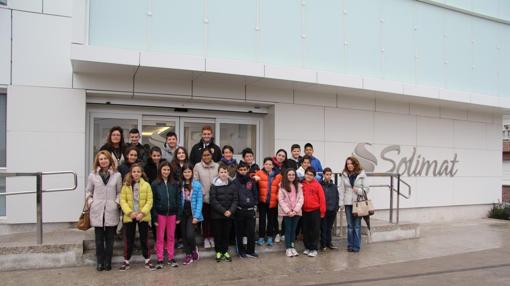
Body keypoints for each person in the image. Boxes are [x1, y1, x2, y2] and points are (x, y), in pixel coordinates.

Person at [86, 150, 122, 271]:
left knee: (110, 239)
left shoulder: (117, 175)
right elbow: (88, 192)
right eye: (101, 159)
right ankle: (100, 262)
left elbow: (120, 192)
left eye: (105, 158)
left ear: (109, 160)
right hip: (97, 209)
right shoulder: (92, 175)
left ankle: (108, 261)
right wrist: (91, 202)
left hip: (111, 210)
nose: (103, 161)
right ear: (98, 161)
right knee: (99, 239)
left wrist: (116, 203)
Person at [119, 163, 155, 271]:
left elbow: (150, 200)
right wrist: (129, 212)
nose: (136, 173)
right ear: (131, 173)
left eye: (138, 172)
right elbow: (122, 200)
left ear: (141, 173)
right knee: (128, 239)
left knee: (145, 239)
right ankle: (126, 261)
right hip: (130, 216)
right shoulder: (126, 185)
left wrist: (142, 213)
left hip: (142, 216)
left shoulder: (146, 185)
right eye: (134, 171)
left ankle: (147, 260)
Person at [151, 161, 180, 269]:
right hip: (160, 214)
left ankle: (171, 258)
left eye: (168, 170)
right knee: (160, 237)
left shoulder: (174, 184)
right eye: (164, 169)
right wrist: (154, 217)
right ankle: (160, 259)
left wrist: (178, 215)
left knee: (171, 237)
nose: (166, 172)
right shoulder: (155, 184)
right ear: (160, 170)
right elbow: (153, 202)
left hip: (172, 214)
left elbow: (177, 200)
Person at [339, 156, 369, 253]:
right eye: (348, 164)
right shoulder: (344, 174)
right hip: (348, 203)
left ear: (355, 164)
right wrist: (341, 202)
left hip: (358, 203)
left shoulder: (362, 174)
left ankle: (356, 246)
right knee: (350, 226)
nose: (349, 165)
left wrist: (358, 190)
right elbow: (341, 189)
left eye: (351, 163)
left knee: (357, 226)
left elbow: (367, 189)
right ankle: (350, 245)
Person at [209, 164, 239, 262]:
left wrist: (230, 211)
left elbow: (235, 200)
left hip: (229, 215)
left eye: (225, 172)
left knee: (226, 234)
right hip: (217, 215)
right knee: (218, 234)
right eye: (221, 172)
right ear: (218, 173)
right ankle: (218, 252)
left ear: (228, 173)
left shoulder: (232, 185)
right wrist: (224, 211)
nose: (223, 174)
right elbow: (213, 201)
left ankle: (225, 251)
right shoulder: (214, 186)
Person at [193, 148, 219, 249]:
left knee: (214, 219)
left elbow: (220, 179)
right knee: (206, 220)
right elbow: (195, 181)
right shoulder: (197, 166)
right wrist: (202, 193)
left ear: (211, 155)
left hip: (215, 198)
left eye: (208, 155)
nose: (206, 157)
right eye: (204, 155)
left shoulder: (217, 166)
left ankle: (212, 237)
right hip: (203, 198)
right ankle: (206, 238)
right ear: (201, 156)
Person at [253, 157, 282, 247]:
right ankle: (261, 237)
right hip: (262, 201)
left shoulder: (278, 175)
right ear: (263, 165)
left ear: (273, 165)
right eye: (266, 164)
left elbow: (281, 188)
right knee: (262, 220)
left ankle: (269, 237)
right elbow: (251, 178)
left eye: (270, 164)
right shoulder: (259, 173)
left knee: (271, 220)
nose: (268, 166)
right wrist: (253, 177)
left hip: (273, 202)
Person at [179, 164, 203, 265]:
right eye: (185, 172)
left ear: (192, 173)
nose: (187, 174)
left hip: (192, 213)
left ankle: (193, 249)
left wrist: (196, 216)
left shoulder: (196, 184)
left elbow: (199, 201)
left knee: (190, 234)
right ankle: (188, 254)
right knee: (184, 235)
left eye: (189, 172)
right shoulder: (180, 184)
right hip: (182, 212)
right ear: (182, 173)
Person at [233, 161, 259, 258]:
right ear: (237, 170)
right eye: (241, 170)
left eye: (245, 169)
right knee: (240, 232)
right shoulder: (235, 182)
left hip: (250, 210)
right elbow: (234, 196)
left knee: (251, 232)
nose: (243, 171)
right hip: (239, 210)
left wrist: (255, 204)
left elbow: (255, 194)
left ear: (248, 170)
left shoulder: (251, 181)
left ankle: (250, 251)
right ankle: (241, 251)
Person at [278, 168, 304, 257]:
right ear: (286, 176)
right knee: (288, 230)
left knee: (293, 230)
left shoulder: (299, 186)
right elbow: (281, 200)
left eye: (293, 175)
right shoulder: (282, 186)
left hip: (296, 212)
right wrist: (288, 211)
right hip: (287, 213)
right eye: (289, 175)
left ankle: (292, 247)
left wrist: (295, 210)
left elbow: (301, 199)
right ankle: (288, 248)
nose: (291, 176)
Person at [301, 167, 326, 257]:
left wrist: (322, 211)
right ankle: (307, 247)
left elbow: (322, 199)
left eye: (311, 175)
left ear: (314, 176)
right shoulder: (302, 184)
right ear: (305, 174)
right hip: (304, 211)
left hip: (315, 211)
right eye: (307, 174)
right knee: (305, 230)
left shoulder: (317, 185)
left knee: (315, 231)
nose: (309, 176)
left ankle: (314, 248)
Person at [320, 167, 339, 251]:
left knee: (329, 228)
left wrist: (336, 207)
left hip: (332, 210)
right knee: (323, 228)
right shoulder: (320, 185)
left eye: (330, 175)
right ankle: (323, 244)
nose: (328, 176)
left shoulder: (334, 186)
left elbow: (337, 197)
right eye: (327, 174)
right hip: (324, 210)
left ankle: (329, 243)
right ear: (323, 175)